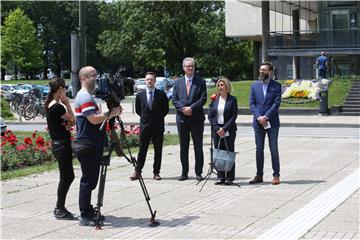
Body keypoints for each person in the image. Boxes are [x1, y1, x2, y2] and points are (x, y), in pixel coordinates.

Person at [74, 66, 122, 226]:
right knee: (88, 180)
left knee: (91, 179)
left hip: (92, 143)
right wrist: (111, 114)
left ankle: (87, 209)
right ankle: (85, 214)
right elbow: (93, 119)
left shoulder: (87, 96)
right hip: (88, 144)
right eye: (92, 76)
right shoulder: (84, 96)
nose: (96, 78)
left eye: (96, 75)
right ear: (83, 78)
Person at [45, 77, 76, 220]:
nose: (66, 90)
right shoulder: (58, 106)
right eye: (65, 87)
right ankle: (59, 208)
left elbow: (66, 124)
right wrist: (67, 103)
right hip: (62, 145)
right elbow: (72, 120)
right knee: (67, 177)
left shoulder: (51, 104)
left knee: (67, 177)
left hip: (59, 145)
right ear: (60, 89)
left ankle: (60, 207)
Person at [129, 72, 169, 181]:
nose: (149, 81)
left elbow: (165, 110)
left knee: (158, 150)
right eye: (147, 79)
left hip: (158, 126)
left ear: (155, 81)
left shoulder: (161, 95)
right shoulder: (140, 95)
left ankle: (156, 172)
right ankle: (138, 171)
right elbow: (138, 110)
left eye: (151, 79)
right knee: (142, 150)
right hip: (145, 126)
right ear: (145, 81)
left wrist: (157, 118)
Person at [172, 57, 207, 181]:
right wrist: (183, 109)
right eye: (188, 66)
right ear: (183, 68)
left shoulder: (201, 81)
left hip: (196, 118)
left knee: (198, 146)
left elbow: (203, 99)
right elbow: (174, 99)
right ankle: (184, 172)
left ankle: (198, 172)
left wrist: (191, 108)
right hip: (182, 119)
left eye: (192, 66)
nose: (190, 68)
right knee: (183, 146)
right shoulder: (177, 82)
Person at [249, 62, 281, 185]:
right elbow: (252, 104)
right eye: (260, 69)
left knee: (273, 149)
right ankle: (259, 174)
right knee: (259, 149)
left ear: (270, 72)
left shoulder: (276, 86)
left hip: (272, 122)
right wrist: (259, 117)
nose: (261, 72)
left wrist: (266, 117)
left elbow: (276, 104)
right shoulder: (254, 86)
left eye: (264, 70)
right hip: (258, 123)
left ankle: (276, 175)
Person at [208, 78, 238, 185]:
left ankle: (229, 177)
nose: (220, 87)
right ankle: (221, 176)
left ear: (227, 86)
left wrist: (224, 129)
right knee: (219, 153)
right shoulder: (214, 99)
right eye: (219, 85)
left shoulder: (232, 99)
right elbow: (211, 116)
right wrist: (217, 129)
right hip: (217, 129)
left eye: (222, 85)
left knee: (229, 152)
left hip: (228, 129)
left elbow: (234, 116)